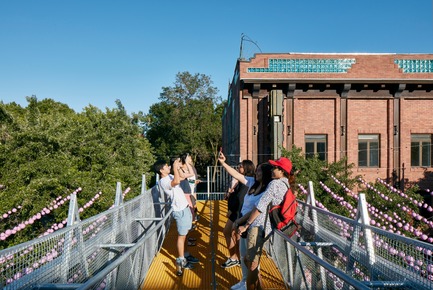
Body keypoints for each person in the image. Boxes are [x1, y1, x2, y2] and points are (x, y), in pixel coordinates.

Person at [237, 157, 294, 290]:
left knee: (251, 263)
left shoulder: (274, 184)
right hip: (269, 227)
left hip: (258, 226)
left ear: (281, 171)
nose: (273, 170)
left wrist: (245, 225)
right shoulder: (286, 184)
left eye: (275, 168)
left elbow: (260, 206)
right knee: (250, 260)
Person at [153, 158, 199, 276]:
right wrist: (175, 167)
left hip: (185, 207)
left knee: (186, 233)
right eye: (167, 166)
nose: (169, 168)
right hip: (179, 210)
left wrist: (185, 165)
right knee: (181, 236)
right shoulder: (163, 181)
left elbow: (189, 175)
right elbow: (177, 182)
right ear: (162, 170)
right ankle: (181, 259)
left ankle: (186, 254)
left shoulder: (169, 177)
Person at [221, 160, 255, 269]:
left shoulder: (248, 183)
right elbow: (236, 196)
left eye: (240, 166)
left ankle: (238, 258)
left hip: (239, 214)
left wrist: (234, 213)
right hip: (235, 213)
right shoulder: (242, 181)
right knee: (229, 233)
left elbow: (240, 200)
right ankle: (235, 257)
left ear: (246, 168)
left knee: (236, 236)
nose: (238, 167)